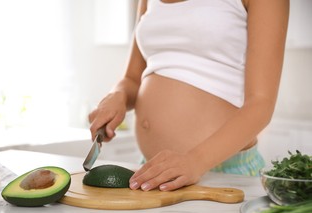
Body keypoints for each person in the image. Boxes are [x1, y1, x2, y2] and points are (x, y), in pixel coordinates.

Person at [88, 0, 289, 192]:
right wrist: (118, 95)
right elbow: (132, 79)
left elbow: (261, 104)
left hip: (221, 172)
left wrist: (195, 161)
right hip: (156, 173)